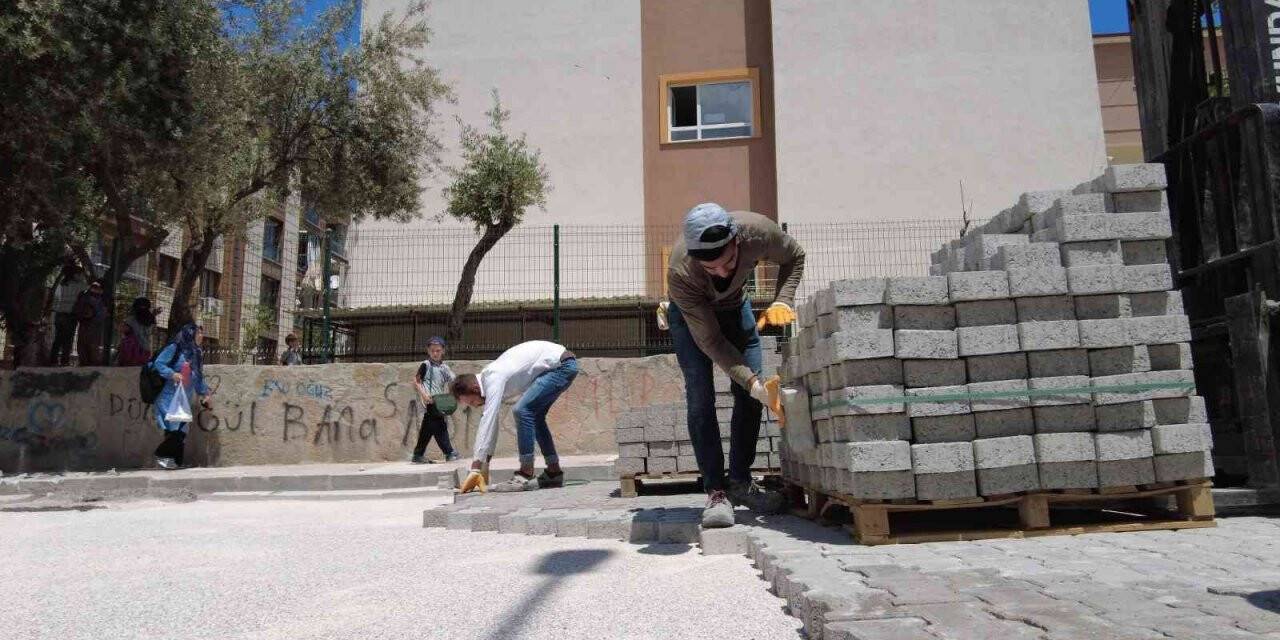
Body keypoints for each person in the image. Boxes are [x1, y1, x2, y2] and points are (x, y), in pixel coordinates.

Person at [666, 202, 805, 528]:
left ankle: (740, 482)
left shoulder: (758, 231)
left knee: (751, 394)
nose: (724, 272)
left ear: (737, 241)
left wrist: (783, 297)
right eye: (712, 269)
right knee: (701, 398)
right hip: (692, 319)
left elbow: (795, 256)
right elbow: (712, 342)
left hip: (736, 307)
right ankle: (716, 492)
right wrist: (753, 384)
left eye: (728, 262)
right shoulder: (681, 273)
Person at [451, 340, 578, 493]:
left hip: (561, 367)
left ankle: (525, 474)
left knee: (522, 410)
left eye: (472, 401)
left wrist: (475, 468)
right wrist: (485, 464)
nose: (475, 406)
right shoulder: (490, 378)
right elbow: (493, 425)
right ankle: (554, 473)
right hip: (561, 366)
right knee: (534, 417)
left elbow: (488, 420)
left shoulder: (493, 377)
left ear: (475, 388)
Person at [152, 323, 213, 470]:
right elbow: (158, 364)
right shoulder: (175, 348)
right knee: (175, 430)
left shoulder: (196, 353)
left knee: (181, 430)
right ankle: (162, 455)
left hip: (184, 398)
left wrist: (205, 393)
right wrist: (172, 374)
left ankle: (174, 462)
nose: (201, 336)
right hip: (169, 397)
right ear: (190, 334)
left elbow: (197, 377)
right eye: (198, 332)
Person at [411, 337, 459, 463]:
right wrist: (424, 395)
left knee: (428, 428)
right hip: (431, 401)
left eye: (438, 350)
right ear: (428, 351)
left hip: (440, 401)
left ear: (443, 351)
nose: (435, 353)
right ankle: (449, 452)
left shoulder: (444, 367)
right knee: (440, 426)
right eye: (433, 351)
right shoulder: (425, 365)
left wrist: (450, 395)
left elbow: (452, 382)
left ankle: (418, 454)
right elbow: (416, 381)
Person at [51, 269, 87, 366]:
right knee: (68, 340)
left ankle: (53, 360)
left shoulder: (62, 283)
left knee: (58, 339)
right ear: (76, 275)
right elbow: (86, 287)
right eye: (81, 274)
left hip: (59, 313)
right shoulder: (78, 285)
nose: (82, 276)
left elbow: (55, 297)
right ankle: (64, 361)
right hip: (70, 314)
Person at [72, 280, 106, 366]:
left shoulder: (86, 296)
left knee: (87, 346)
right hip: (90, 324)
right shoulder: (96, 298)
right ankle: (87, 363)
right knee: (89, 346)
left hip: (88, 324)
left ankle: (86, 363)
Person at [117, 297, 157, 366]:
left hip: (131, 352)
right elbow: (153, 332)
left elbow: (122, 329)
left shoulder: (131, 319)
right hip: (145, 350)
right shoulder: (152, 320)